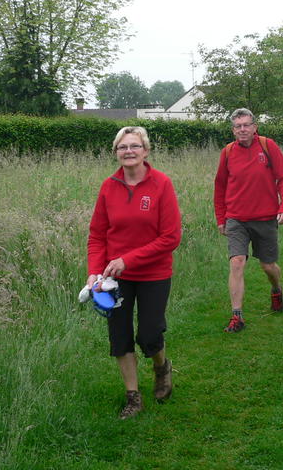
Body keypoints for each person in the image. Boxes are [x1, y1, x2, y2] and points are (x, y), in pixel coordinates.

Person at [87, 126, 182, 419]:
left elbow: (171, 237)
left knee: (149, 335)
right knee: (120, 337)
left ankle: (161, 366)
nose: (129, 151)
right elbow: (97, 235)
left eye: (134, 146)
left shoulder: (161, 184)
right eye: (123, 147)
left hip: (154, 273)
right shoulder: (108, 186)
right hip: (115, 278)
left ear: (146, 151)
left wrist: (128, 260)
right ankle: (133, 396)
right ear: (116, 152)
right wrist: (94, 273)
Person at [213, 108, 283, 333]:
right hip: (236, 218)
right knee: (237, 262)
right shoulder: (228, 152)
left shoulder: (268, 146)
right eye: (238, 126)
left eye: (246, 125)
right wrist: (221, 218)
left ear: (254, 127)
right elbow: (220, 186)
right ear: (233, 130)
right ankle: (237, 316)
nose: (242, 129)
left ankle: (276, 289)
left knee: (268, 266)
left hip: (265, 218)